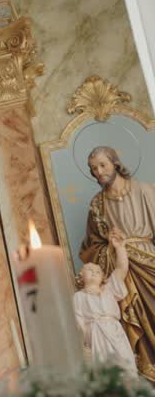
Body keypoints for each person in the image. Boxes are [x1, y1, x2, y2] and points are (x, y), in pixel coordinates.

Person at [79, 145, 155, 380]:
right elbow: (91, 249)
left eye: (103, 165)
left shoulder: (144, 191)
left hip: (149, 261)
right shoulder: (97, 206)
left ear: (115, 163)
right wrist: (113, 248)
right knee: (140, 324)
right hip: (124, 275)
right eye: (93, 169)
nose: (99, 172)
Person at [75, 231, 140, 376]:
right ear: (80, 277)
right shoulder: (78, 297)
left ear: (103, 277)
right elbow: (78, 322)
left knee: (125, 365)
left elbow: (121, 268)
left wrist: (120, 248)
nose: (94, 271)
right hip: (96, 334)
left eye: (98, 270)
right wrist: (84, 345)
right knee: (105, 369)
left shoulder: (109, 289)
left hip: (115, 331)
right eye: (89, 269)